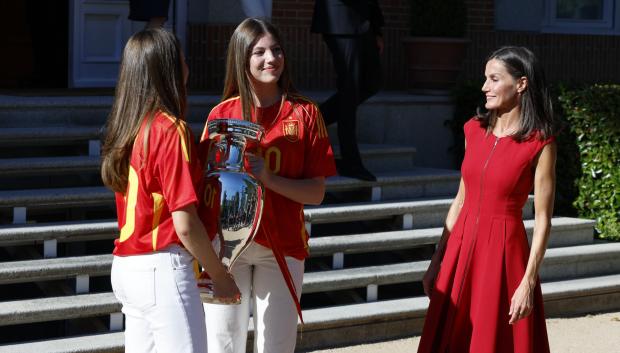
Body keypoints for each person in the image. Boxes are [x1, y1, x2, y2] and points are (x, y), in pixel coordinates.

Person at [199, 18, 336, 353]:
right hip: (227, 247)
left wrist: (269, 180)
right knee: (222, 342)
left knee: (275, 344)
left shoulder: (305, 113)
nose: (271, 58)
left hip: (283, 246)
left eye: (276, 50)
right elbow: (204, 187)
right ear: (241, 58)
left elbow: (317, 192)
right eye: (259, 52)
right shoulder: (222, 114)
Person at [100, 28, 239, 353]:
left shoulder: (127, 127)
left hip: (127, 266)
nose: (187, 66)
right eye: (182, 59)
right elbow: (185, 224)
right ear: (168, 69)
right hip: (161, 268)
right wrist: (218, 274)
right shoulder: (169, 128)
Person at [418, 46, 556, 353]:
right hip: (461, 246)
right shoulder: (473, 130)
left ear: (520, 84)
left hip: (504, 253)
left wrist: (527, 283)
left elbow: (543, 219)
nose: (485, 87)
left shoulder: (540, 142)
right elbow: (460, 201)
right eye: (485, 78)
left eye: (494, 79)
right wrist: (437, 260)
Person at [311, 0, 384, 181]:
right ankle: (350, 162)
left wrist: (376, 29)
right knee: (349, 90)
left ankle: (313, 120)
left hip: (364, 22)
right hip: (340, 20)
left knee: (372, 83)